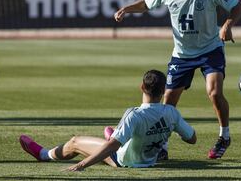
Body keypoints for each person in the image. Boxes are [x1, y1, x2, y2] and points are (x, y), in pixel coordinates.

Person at [114, 0, 241, 159]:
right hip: (182, 55)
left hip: (211, 49)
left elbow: (238, 6)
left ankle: (224, 137)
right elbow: (146, 4)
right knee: (167, 104)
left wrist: (227, 24)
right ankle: (162, 147)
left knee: (215, 92)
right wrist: (126, 9)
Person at [19, 69, 196, 170]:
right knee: (121, 137)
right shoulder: (172, 113)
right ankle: (116, 134)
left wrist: (82, 164)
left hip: (123, 160)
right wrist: (168, 129)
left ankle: (43, 155)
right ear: (164, 90)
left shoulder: (134, 114)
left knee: (75, 142)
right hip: (148, 159)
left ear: (142, 87)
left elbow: (112, 147)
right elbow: (192, 138)